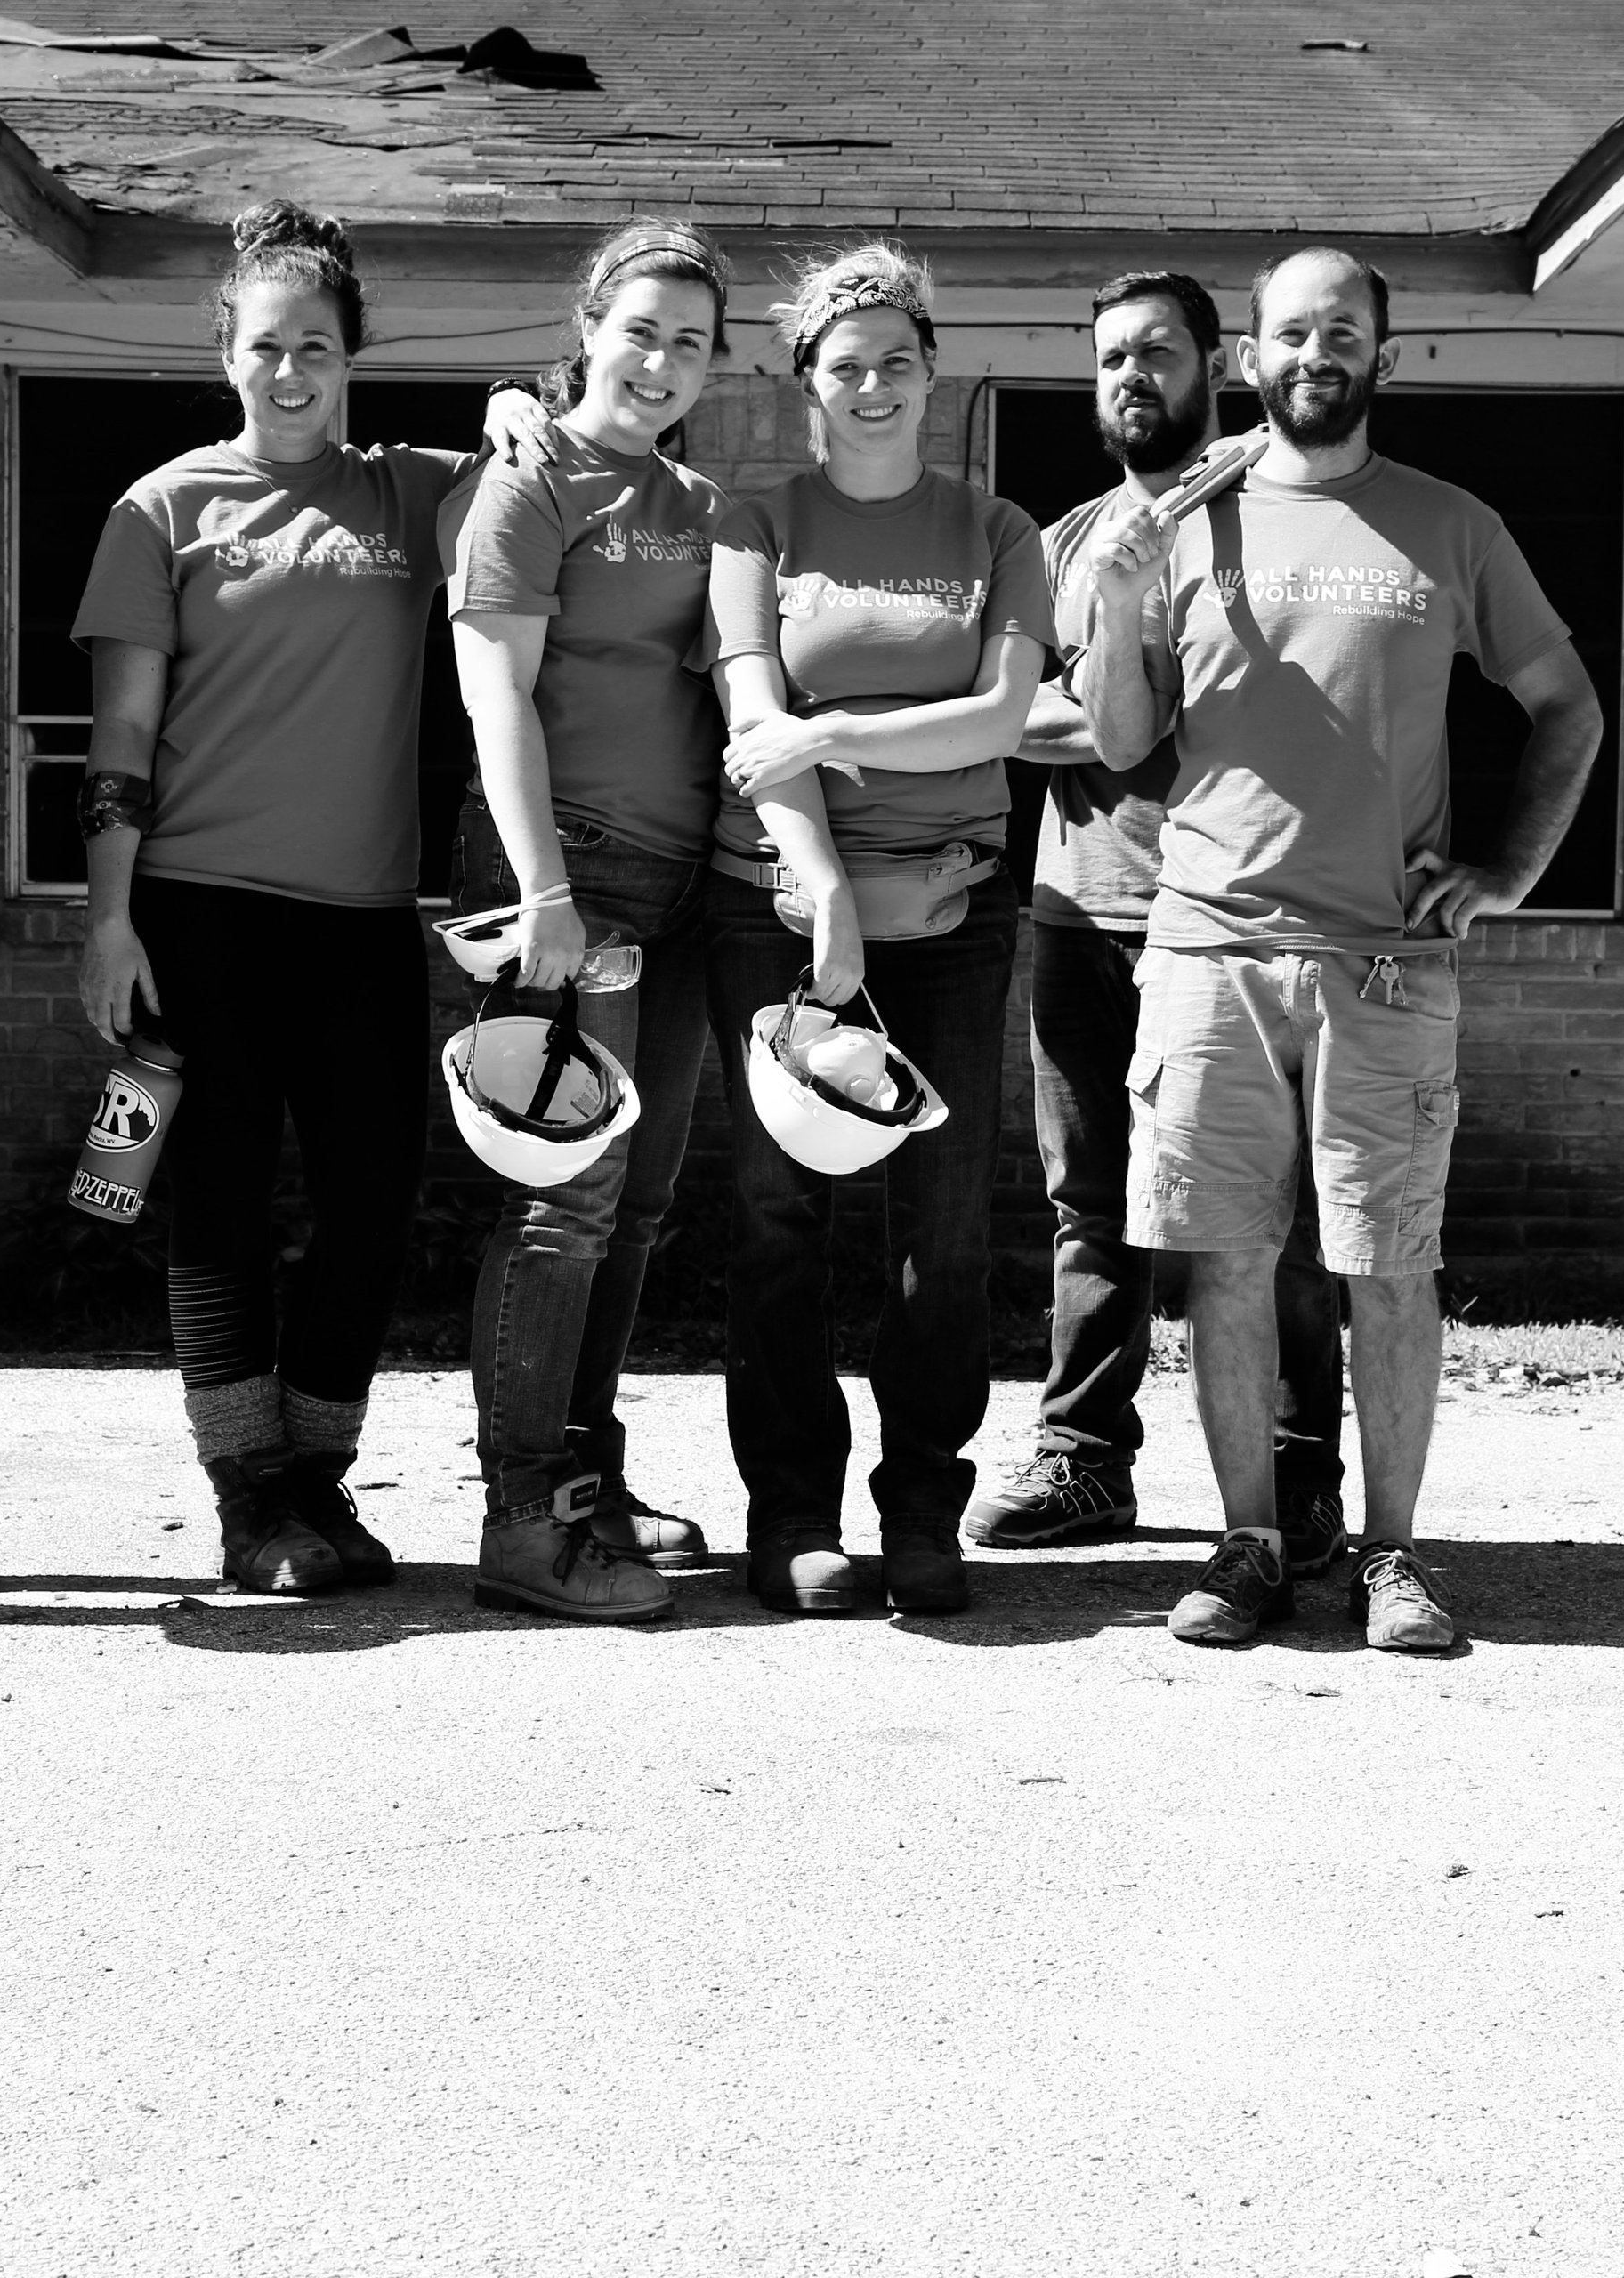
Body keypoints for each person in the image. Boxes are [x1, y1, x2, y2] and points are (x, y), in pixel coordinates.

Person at [1081, 246, 1605, 1653]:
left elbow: (1567, 706)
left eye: (1345, 332)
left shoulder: (1450, 524)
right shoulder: (1181, 523)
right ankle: (1249, 1542)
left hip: (1385, 960)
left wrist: (1506, 870)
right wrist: (1125, 595)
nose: (1318, 352)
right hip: (1208, 952)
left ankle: (1391, 1554)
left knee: (1390, 1265)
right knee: (1227, 1262)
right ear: (1250, 358)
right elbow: (1125, 743)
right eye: (1292, 333)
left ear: (1387, 356)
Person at [71, 201, 540, 1595]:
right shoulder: (161, 508)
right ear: (227, 351)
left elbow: (551, 466)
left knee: (374, 1202)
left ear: (353, 359)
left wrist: (517, 403)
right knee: (214, 1201)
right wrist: (107, 917)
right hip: (199, 914)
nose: (291, 372)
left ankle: (320, 1482)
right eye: (267, 346)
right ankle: (247, 1495)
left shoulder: (409, 492)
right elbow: (117, 744)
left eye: (318, 349)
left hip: (358, 920)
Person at [965, 270, 1351, 1570]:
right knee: (1090, 1202)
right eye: (1112, 358)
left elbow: (1216, 710)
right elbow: (998, 714)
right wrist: (1123, 704)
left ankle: (1300, 1479)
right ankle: (1085, 1459)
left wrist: (1120, 702)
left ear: (1217, 364)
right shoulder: (1067, 543)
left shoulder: (1268, 524)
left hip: (1243, 918)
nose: (1133, 377)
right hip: (1081, 904)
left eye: (1160, 354)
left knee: (1274, 1214)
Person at [701, 241, 1054, 1618]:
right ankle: (791, 1512)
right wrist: (826, 892)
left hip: (958, 910)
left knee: (946, 1227)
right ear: (807, 384)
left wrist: (833, 728)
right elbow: (746, 726)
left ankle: (922, 1509)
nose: (871, 387)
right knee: (778, 1217)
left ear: (931, 375)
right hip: (773, 906)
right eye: (844, 366)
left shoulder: (997, 531)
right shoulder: (757, 525)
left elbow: (999, 723)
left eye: (896, 363)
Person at [444, 219, 739, 1623]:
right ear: (588, 329)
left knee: (637, 1205)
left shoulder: (695, 497)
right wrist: (544, 896)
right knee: (564, 1202)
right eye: (642, 331)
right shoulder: (528, 480)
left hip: (680, 886)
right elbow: (493, 694)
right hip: (564, 872)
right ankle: (523, 1514)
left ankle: (587, 1476)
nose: (663, 360)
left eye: (691, 341)